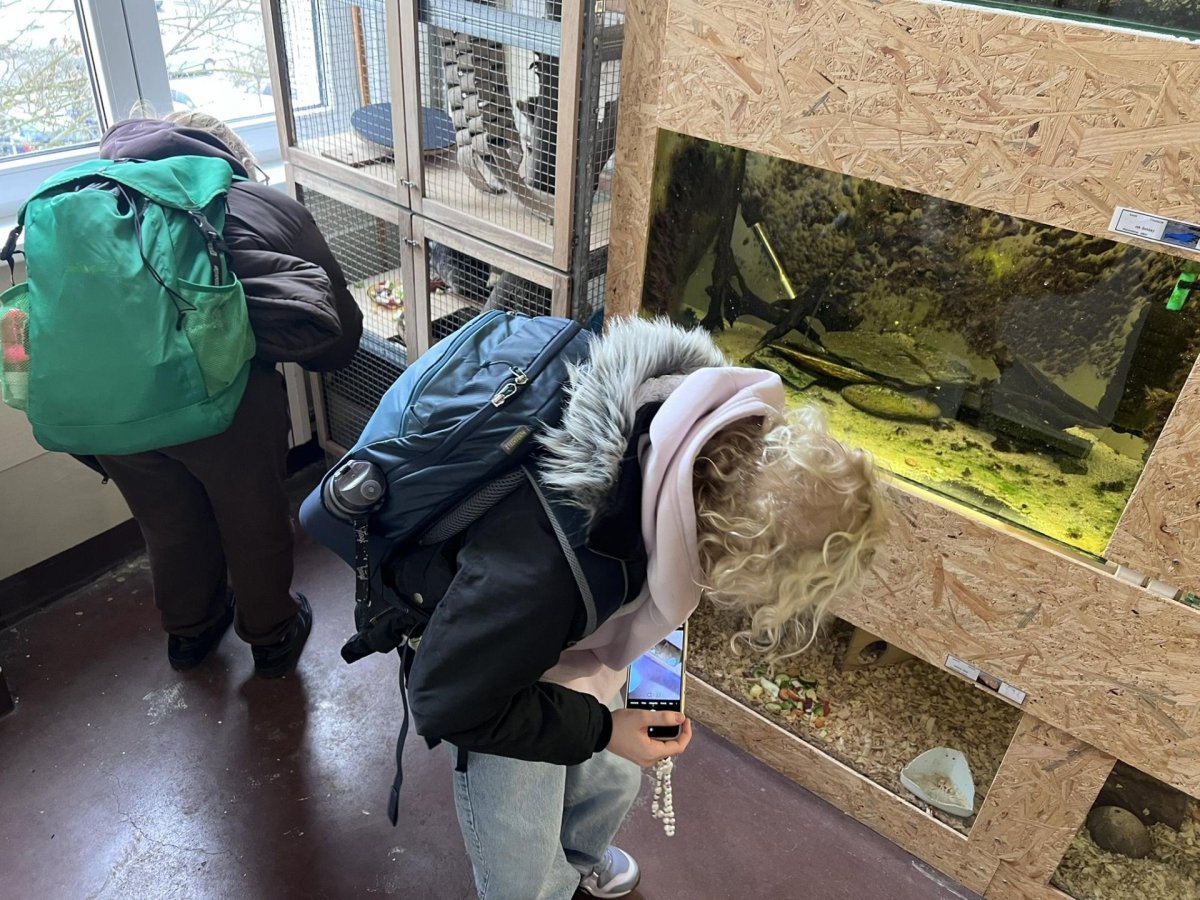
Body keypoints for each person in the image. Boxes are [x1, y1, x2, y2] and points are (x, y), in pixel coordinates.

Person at [399, 316, 886, 899]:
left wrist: (617, 722)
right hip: (490, 674)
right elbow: (449, 704)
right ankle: (541, 886)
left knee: (612, 779)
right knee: (520, 843)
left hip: (553, 634)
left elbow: (657, 581)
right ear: (737, 553)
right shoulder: (548, 567)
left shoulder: (689, 435)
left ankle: (577, 860)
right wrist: (605, 728)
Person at [89, 112, 363, 677]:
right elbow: (339, 336)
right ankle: (272, 635)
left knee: (166, 522)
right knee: (251, 517)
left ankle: (189, 634)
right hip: (222, 402)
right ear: (229, 154)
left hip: (110, 402)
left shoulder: (94, 200)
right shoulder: (258, 203)